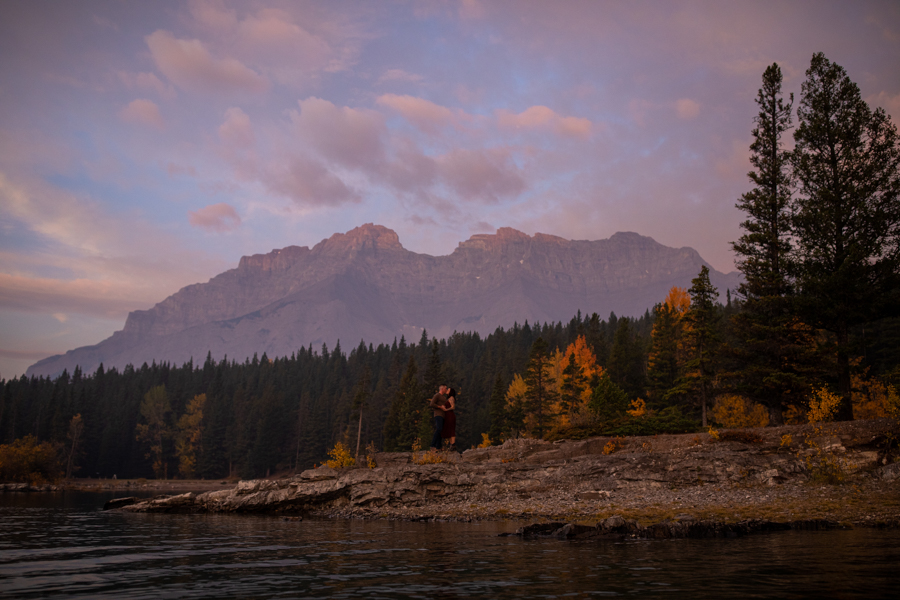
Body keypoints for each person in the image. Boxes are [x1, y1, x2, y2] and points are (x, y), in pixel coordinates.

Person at [427, 385, 448, 450]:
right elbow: (432, 404)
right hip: (438, 414)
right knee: (439, 429)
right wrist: (440, 407)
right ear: (442, 389)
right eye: (445, 388)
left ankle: (439, 446)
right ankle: (432, 445)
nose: (446, 389)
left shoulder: (444, 397)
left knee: (441, 431)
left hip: (443, 415)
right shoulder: (437, 395)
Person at [442, 387, 457, 451]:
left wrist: (446, 409)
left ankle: (453, 445)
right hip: (448, 416)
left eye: (448, 390)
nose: (447, 390)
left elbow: (453, 407)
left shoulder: (451, 398)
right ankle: (451, 445)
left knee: (451, 430)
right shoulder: (449, 398)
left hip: (450, 415)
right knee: (449, 430)